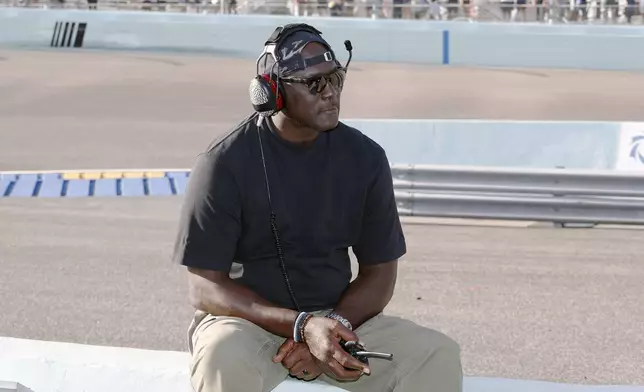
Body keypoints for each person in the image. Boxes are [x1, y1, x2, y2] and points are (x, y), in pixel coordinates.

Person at [172, 23, 463, 392]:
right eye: (314, 84)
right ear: (273, 92)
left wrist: (332, 330)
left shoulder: (366, 159)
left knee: (436, 354)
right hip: (246, 324)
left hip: (340, 321)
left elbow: (380, 275)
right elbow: (204, 288)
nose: (331, 94)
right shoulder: (224, 162)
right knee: (221, 356)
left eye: (336, 78)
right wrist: (302, 327)